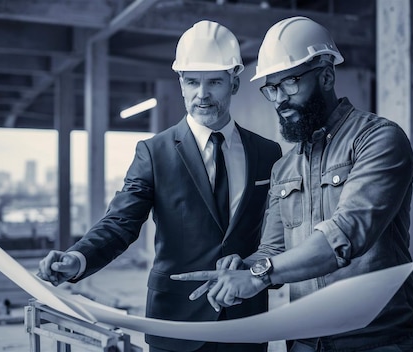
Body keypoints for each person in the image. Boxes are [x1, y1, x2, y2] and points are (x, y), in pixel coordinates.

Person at [172, 16, 413, 352]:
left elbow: (346, 234)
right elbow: (273, 251)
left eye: (290, 83)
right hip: (307, 340)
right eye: (271, 88)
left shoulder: (378, 139)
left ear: (326, 75)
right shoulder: (285, 167)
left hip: (376, 339)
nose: (279, 99)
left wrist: (260, 273)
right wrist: (242, 267)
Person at [37, 20, 282, 352]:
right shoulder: (154, 153)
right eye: (192, 82)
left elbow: (280, 228)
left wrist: (258, 267)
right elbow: (120, 223)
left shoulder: (267, 153)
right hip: (175, 323)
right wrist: (78, 258)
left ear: (234, 83)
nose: (202, 94)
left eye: (214, 82)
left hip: (245, 318)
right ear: (181, 84)